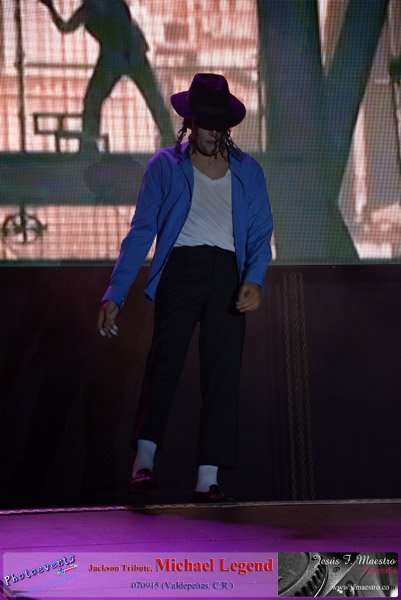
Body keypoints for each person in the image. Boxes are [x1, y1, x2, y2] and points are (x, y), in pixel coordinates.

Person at [97, 73, 274, 502]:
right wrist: (115, 293)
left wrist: (253, 278)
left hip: (227, 274)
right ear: (190, 122)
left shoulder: (248, 171)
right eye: (205, 123)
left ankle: (207, 477)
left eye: (219, 124)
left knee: (222, 372)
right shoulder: (165, 165)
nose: (213, 132)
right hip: (181, 268)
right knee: (165, 362)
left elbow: (260, 233)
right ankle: (143, 463)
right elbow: (141, 232)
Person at [38, 0, 175, 151]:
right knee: (151, 99)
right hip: (124, 54)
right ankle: (90, 143)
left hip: (120, 55)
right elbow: (66, 27)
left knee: (96, 99)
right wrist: (51, 8)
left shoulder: (95, 7)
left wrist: (51, 8)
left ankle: (90, 144)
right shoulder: (89, 8)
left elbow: (68, 27)